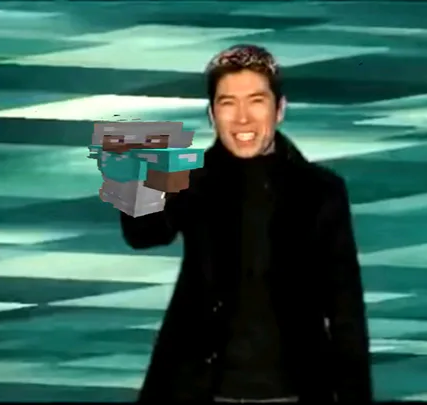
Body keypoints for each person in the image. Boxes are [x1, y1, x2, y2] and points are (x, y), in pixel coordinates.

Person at [121, 44, 373, 403]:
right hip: (199, 390)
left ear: (280, 109)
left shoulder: (321, 191)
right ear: (212, 115)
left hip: (295, 393)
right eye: (228, 103)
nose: (242, 119)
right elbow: (143, 234)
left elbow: (345, 312)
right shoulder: (191, 180)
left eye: (256, 101)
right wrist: (135, 166)